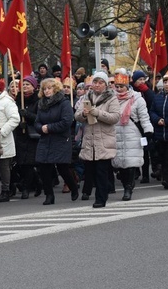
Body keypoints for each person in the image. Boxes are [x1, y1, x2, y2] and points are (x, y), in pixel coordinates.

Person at [74, 71, 121, 208]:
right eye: (95, 82)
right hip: (90, 139)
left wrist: (97, 113)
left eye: (101, 83)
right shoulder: (86, 97)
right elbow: (77, 115)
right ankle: (97, 194)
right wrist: (83, 113)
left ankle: (101, 198)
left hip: (104, 139)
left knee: (102, 171)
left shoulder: (111, 98)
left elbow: (114, 117)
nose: (97, 85)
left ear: (106, 85)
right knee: (92, 171)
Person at [35, 78, 79, 204]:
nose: (47, 91)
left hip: (60, 139)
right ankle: (49, 195)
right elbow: (37, 122)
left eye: (49, 88)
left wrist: (49, 128)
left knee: (62, 167)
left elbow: (66, 121)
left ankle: (73, 186)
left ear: (55, 89)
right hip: (45, 139)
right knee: (44, 167)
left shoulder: (64, 103)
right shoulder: (42, 103)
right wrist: (41, 128)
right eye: (44, 89)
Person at [111, 70, 153, 201]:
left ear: (127, 86)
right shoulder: (111, 99)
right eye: (116, 86)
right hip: (116, 133)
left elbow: (144, 117)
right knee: (119, 164)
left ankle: (128, 188)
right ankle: (125, 183)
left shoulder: (137, 99)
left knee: (130, 162)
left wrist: (148, 130)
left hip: (132, 133)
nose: (119, 89)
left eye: (121, 86)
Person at [0, 79, 20, 202]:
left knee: (4, 166)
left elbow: (14, 119)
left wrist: (2, 132)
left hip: (3, 138)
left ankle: (6, 190)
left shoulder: (7, 102)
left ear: (0, 90)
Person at [14, 76, 41, 199]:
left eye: (28, 84)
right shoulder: (17, 100)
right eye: (23, 84)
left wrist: (28, 115)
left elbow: (40, 118)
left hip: (32, 135)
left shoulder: (38, 100)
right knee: (21, 163)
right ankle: (37, 182)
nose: (25, 86)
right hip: (20, 134)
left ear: (34, 87)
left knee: (29, 163)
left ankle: (26, 188)